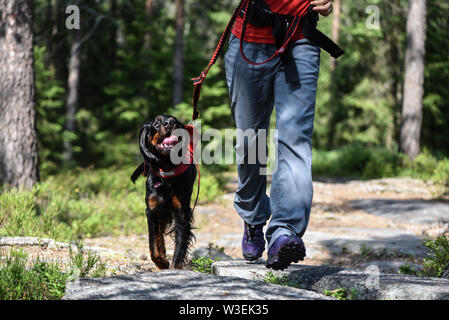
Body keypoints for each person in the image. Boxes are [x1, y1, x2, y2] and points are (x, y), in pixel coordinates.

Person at [224, 0, 334, 270]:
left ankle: (284, 232)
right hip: (248, 39)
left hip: (301, 39)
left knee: (295, 140)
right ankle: (253, 217)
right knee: (251, 143)